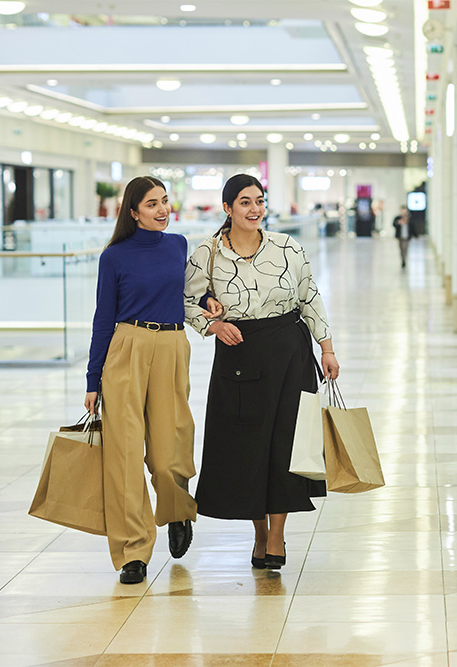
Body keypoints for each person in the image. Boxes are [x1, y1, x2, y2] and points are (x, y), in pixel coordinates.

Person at [184, 174, 339, 570]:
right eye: (245, 202)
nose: (255, 209)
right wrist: (213, 326)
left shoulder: (288, 248)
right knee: (248, 447)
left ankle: (277, 536)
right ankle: (258, 532)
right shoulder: (208, 253)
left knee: (287, 443)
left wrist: (327, 348)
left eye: (259, 201)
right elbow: (186, 300)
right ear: (227, 208)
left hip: (289, 352)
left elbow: (310, 296)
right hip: (239, 354)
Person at [84, 176, 211, 584]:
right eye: (152, 204)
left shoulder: (177, 245)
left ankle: (175, 511)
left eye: (165, 201)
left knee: (170, 442)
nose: (162, 210)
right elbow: (103, 319)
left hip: (173, 346)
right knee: (122, 451)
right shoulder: (115, 257)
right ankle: (132, 551)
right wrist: (93, 379)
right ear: (133, 211)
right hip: (127, 347)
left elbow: (189, 293)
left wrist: (208, 301)